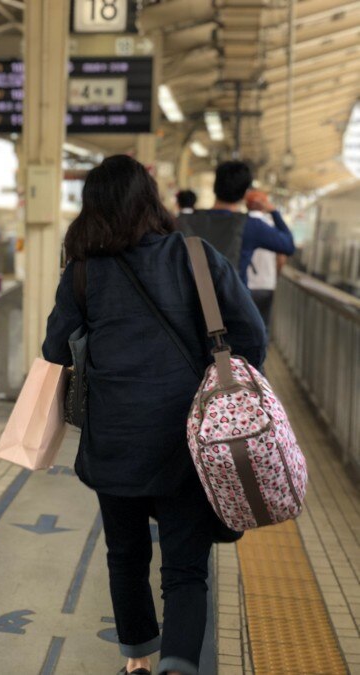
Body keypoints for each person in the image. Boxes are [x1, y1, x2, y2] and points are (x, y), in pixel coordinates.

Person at [42, 156, 266, 675]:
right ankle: (178, 666)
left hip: (113, 441)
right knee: (185, 571)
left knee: (125, 556)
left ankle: (138, 661)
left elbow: (55, 349)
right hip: (189, 440)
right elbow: (250, 334)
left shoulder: (83, 271)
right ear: (150, 199)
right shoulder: (195, 254)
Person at [177, 161, 295, 285]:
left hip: (190, 300)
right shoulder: (251, 225)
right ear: (245, 193)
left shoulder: (186, 221)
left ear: (214, 187)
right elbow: (288, 246)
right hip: (232, 301)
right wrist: (273, 211)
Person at [245, 189, 287, 330]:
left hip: (244, 283)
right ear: (265, 205)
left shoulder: (240, 223)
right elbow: (282, 257)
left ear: (247, 205)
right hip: (266, 284)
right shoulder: (272, 225)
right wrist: (276, 275)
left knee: (244, 324)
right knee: (262, 324)